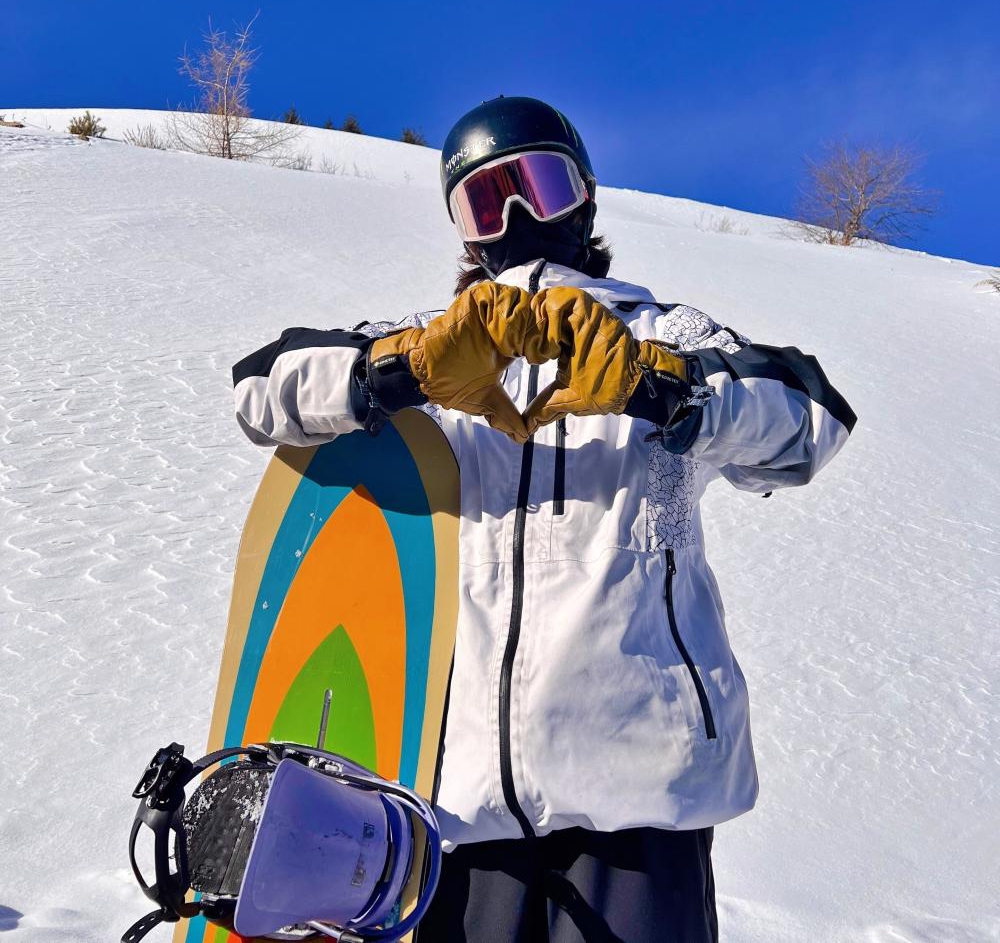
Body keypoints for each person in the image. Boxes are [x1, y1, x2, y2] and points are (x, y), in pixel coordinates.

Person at [232, 96, 856, 943]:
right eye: (488, 200)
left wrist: (656, 384)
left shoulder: (664, 332)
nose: (519, 215)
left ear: (585, 197)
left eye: (540, 186)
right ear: (465, 228)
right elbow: (262, 388)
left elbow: (809, 419)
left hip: (640, 793)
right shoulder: (431, 341)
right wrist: (403, 372)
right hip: (458, 802)